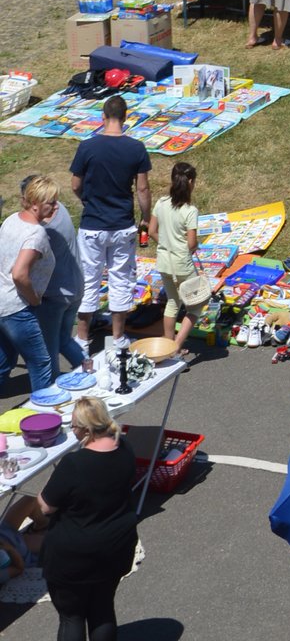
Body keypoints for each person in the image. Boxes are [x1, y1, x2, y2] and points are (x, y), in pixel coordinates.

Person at [19, 392, 140, 641]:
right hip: (117, 546)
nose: (72, 431)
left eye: (73, 426)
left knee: (71, 617)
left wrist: (41, 495)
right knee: (102, 610)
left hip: (75, 556)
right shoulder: (125, 447)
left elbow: (46, 507)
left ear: (87, 430)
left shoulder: (74, 464)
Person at [71, 96, 151, 353]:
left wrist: (86, 200)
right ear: (126, 117)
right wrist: (146, 216)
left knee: (89, 279)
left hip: (92, 225)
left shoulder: (87, 146)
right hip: (122, 225)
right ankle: (118, 338)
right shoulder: (136, 148)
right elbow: (142, 188)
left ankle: (82, 339)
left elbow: (75, 184)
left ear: (103, 117)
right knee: (120, 279)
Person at [0, 175, 57, 397]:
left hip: (2, 303)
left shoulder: (11, 219)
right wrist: (34, 299)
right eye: (51, 202)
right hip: (17, 308)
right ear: (35, 204)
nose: (56, 207)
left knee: (5, 359)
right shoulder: (36, 234)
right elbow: (19, 273)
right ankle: (43, 412)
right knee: (40, 362)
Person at [148, 161, 205, 355]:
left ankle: (167, 344)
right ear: (190, 182)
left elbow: (152, 230)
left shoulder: (161, 203)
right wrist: (190, 247)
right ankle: (176, 346)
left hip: (164, 262)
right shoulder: (190, 211)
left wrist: (166, 243)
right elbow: (191, 243)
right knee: (196, 306)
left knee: (172, 302)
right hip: (182, 264)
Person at [33, 178, 86, 381]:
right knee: (64, 339)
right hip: (75, 287)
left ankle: (51, 388)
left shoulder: (43, 232)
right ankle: (90, 371)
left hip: (54, 295)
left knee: (49, 349)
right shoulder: (61, 208)